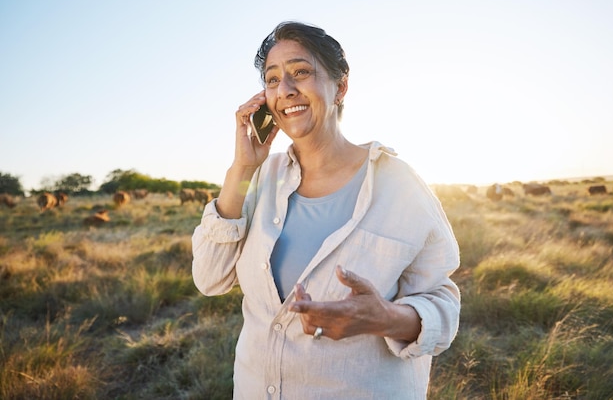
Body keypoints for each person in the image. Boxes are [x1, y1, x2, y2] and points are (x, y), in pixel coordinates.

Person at [192, 21, 461, 399]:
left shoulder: (398, 185)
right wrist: (242, 168)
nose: (285, 90)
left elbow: (443, 306)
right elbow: (209, 278)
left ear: (341, 86)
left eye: (301, 72)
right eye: (272, 80)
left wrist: (384, 318)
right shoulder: (260, 179)